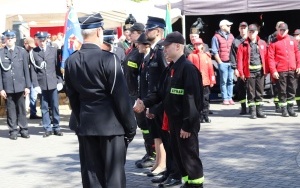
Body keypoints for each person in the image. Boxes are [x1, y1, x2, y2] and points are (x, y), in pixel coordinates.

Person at [64, 13, 137, 188]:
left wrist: (81, 120)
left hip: (86, 126)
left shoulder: (71, 61)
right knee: (114, 178)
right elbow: (120, 97)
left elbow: (72, 98)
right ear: (98, 31)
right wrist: (131, 126)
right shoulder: (109, 59)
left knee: (91, 177)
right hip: (111, 127)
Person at [134, 31, 204, 188]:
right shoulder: (171, 69)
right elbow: (160, 94)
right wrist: (144, 103)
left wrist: (187, 125)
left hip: (184, 125)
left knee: (190, 159)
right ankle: (187, 183)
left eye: (167, 46)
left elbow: (193, 101)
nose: (164, 49)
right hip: (173, 123)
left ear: (178, 46)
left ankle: (196, 185)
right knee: (180, 158)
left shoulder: (188, 69)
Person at [136, 16, 167, 173]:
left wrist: (156, 104)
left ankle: (163, 165)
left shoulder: (161, 51)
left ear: (158, 31)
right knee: (157, 134)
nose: (146, 32)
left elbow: (165, 78)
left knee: (163, 135)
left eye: (149, 29)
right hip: (153, 101)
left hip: (160, 102)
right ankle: (159, 163)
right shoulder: (155, 51)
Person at [30, 31, 64, 137]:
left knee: (55, 106)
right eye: (40, 40)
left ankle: (56, 127)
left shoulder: (53, 51)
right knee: (44, 107)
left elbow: (57, 67)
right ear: (37, 41)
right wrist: (35, 85)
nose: (42, 42)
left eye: (43, 40)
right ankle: (47, 128)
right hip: (42, 84)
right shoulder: (33, 52)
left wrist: (60, 81)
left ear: (47, 40)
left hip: (53, 82)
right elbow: (33, 71)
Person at [0, 30, 31, 140]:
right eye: (7, 38)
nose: (9, 40)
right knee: (11, 109)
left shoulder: (22, 52)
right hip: (7, 86)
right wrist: (1, 88)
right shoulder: (1, 53)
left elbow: (26, 71)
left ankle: (24, 129)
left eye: (11, 38)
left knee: (21, 108)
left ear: (15, 39)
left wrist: (28, 86)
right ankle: (13, 130)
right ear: (5, 40)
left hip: (20, 85)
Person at [268, 23, 300, 117]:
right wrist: (273, 70)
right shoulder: (274, 42)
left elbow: (297, 53)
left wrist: (298, 66)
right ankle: (284, 110)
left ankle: (290, 108)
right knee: (282, 91)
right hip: (281, 70)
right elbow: (270, 58)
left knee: (292, 90)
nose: (282, 32)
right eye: (280, 30)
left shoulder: (292, 40)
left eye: (284, 30)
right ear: (278, 30)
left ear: (287, 30)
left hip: (292, 69)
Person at [237, 24, 268, 119]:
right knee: (251, 93)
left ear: (257, 32)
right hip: (249, 72)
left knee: (259, 92)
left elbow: (266, 57)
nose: (251, 34)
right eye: (249, 32)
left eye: (253, 32)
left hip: (260, 72)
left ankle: (260, 111)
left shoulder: (262, 43)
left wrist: (267, 70)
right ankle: (253, 111)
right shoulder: (243, 45)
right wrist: (241, 73)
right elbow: (240, 60)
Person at [188, 38, 216, 123]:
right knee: (197, 100)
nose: (198, 46)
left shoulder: (206, 56)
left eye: (199, 44)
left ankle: (206, 116)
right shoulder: (191, 56)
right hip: (196, 83)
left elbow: (210, 69)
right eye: (196, 44)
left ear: (202, 45)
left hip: (205, 82)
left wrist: (212, 81)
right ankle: (199, 117)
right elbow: (189, 70)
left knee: (205, 100)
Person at [211, 19, 235, 105]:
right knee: (223, 81)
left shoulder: (231, 36)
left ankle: (230, 97)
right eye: (228, 25)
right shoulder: (215, 37)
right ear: (222, 27)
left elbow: (234, 50)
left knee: (230, 81)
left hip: (231, 62)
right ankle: (225, 98)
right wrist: (220, 62)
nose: (230, 27)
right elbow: (214, 51)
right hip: (223, 62)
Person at [230, 22, 248, 114]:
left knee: (252, 90)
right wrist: (235, 68)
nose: (243, 29)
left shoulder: (251, 40)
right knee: (241, 90)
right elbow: (232, 56)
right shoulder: (235, 41)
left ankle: (253, 108)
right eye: (241, 28)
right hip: (240, 69)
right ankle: (243, 108)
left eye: (245, 28)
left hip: (250, 69)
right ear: (239, 29)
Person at [267, 21, 284, 113]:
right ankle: (277, 105)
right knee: (276, 87)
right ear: (276, 28)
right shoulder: (271, 37)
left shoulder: (287, 37)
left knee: (284, 87)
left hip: (284, 66)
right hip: (275, 66)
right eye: (279, 27)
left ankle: (283, 105)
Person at [24, 37, 42, 119]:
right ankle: (33, 112)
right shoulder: (24, 53)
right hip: (28, 77)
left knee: (34, 96)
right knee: (33, 96)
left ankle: (33, 112)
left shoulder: (32, 52)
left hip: (34, 77)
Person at [293, 29, 300, 111]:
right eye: (294, 35)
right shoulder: (294, 44)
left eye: (297, 35)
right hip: (295, 69)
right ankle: (299, 104)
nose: (295, 37)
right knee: (297, 88)